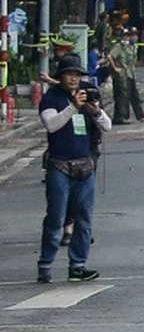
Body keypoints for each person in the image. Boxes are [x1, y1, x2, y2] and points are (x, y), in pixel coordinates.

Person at [38, 54, 105, 283]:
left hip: (85, 165)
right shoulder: (51, 98)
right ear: (61, 76)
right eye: (70, 74)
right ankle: (45, 263)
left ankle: (78, 265)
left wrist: (93, 108)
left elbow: (106, 125)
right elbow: (51, 124)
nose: (74, 79)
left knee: (84, 219)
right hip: (59, 166)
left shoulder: (86, 95)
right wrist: (72, 108)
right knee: (56, 218)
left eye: (77, 75)